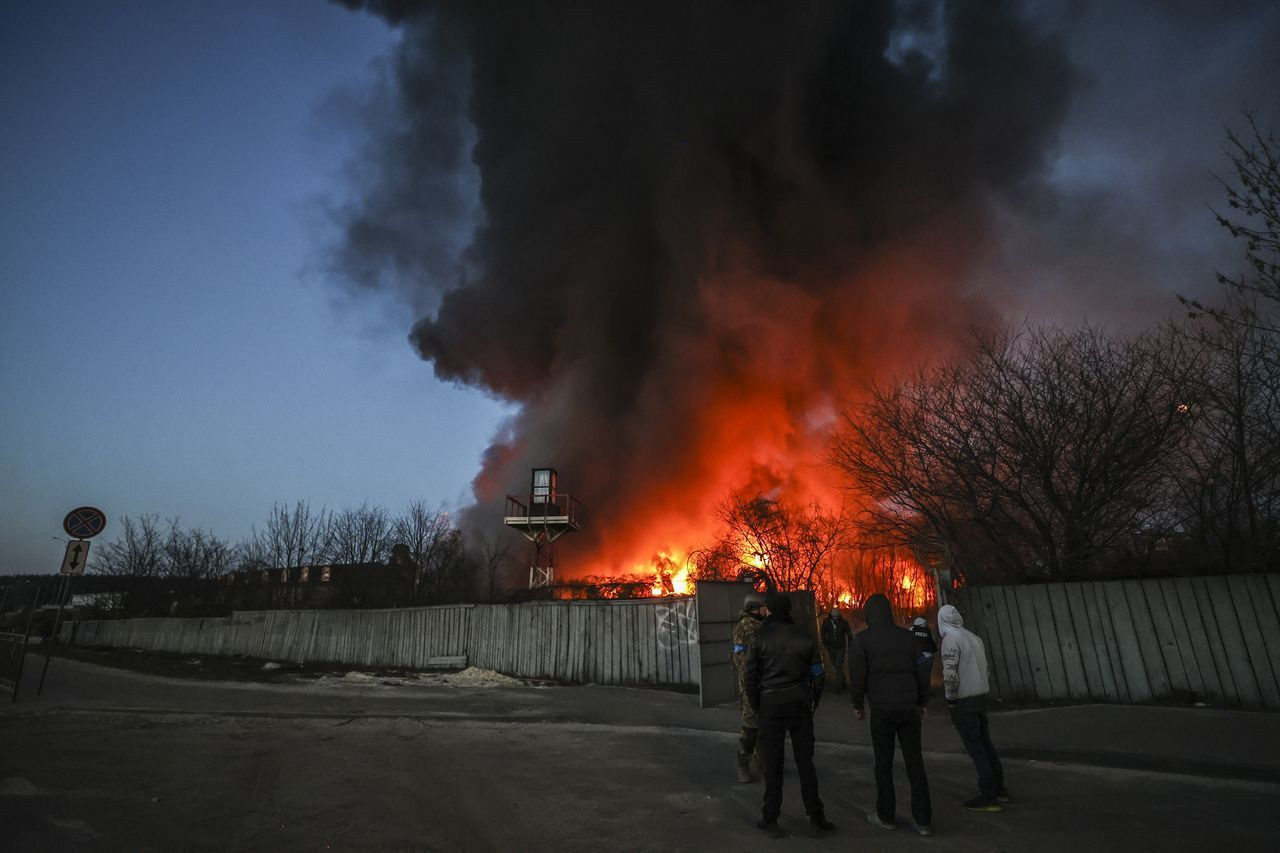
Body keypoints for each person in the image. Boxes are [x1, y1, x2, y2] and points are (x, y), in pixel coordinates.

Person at [744, 593, 834, 838]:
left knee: (773, 765)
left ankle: (770, 819)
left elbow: (749, 676)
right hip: (799, 705)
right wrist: (813, 701)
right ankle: (817, 819)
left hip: (771, 707)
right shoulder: (804, 636)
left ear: (770, 611)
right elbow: (818, 674)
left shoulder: (758, 637)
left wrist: (758, 704)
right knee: (806, 764)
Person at [849, 593, 933, 837]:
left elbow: (858, 678)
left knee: (883, 764)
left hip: (882, 711)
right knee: (915, 763)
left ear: (868, 615)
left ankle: (886, 816)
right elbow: (922, 671)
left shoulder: (862, 641)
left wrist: (858, 704)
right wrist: (922, 701)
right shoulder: (909, 638)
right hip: (909, 709)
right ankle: (924, 820)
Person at [938, 603, 1008, 812]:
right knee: (985, 744)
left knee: (976, 747)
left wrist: (950, 699)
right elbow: (986, 670)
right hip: (979, 698)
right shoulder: (974, 638)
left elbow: (950, 674)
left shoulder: (951, 640)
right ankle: (999, 789)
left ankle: (988, 795)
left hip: (964, 701)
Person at [730, 591, 769, 783]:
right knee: (751, 727)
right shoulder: (745, 628)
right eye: (764, 607)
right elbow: (741, 659)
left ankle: (761, 760)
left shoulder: (760, 626)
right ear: (756, 608)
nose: (766, 611)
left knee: (763, 726)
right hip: (751, 686)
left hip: (762, 684)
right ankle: (743, 764)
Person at [820, 607, 853, 692]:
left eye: (836, 617)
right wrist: (825, 644)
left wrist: (850, 645)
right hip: (831, 648)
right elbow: (823, 633)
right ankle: (844, 682)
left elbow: (849, 634)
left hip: (841, 647)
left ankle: (838, 687)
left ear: (839, 616)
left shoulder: (844, 623)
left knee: (838, 665)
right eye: (834, 617)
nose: (835, 618)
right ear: (831, 616)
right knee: (836, 666)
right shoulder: (826, 622)